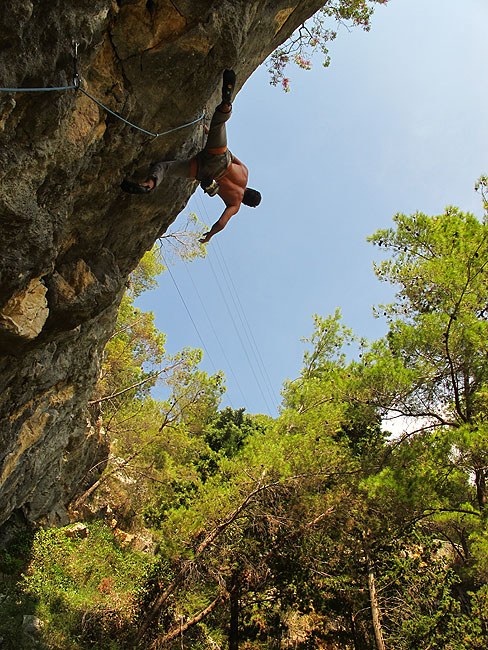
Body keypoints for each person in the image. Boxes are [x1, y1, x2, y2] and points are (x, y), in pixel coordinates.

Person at [121, 70, 261, 244]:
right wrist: (209, 235)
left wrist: (211, 133)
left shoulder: (245, 173)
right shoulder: (235, 205)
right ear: (247, 203)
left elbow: (230, 154)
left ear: (252, 189)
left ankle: (226, 104)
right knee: (165, 167)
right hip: (203, 172)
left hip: (219, 158)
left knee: (219, 121)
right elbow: (222, 223)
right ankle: (148, 185)